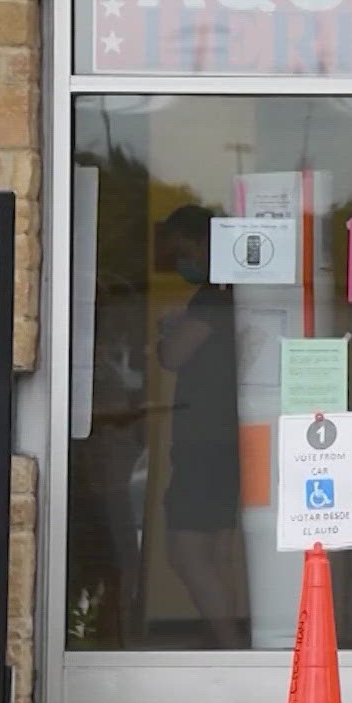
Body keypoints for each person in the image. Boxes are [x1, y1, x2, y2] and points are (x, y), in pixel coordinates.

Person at [155, 204, 246, 649]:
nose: (181, 263)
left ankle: (229, 645)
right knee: (216, 553)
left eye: (184, 250)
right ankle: (231, 648)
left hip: (206, 442)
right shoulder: (234, 294)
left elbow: (174, 354)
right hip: (226, 438)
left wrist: (166, 330)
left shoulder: (213, 297)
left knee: (186, 551)